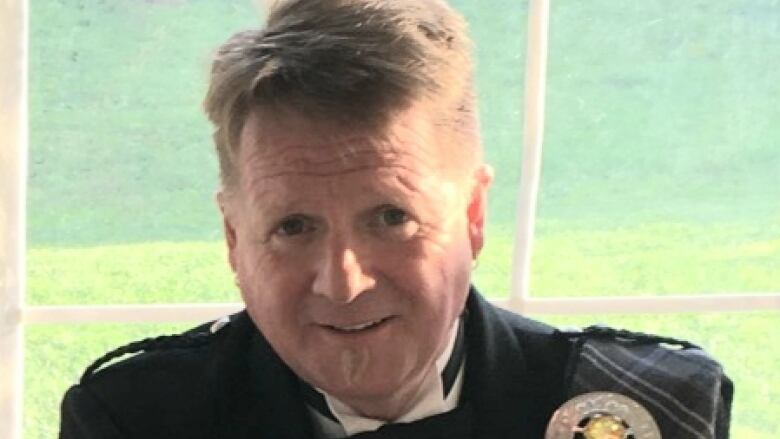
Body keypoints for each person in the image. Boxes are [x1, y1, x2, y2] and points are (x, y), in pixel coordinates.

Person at [59, 1, 732, 438]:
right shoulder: (134, 420)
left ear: (471, 215)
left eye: (390, 216)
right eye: (293, 226)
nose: (343, 283)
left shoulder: (645, 407)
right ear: (235, 240)